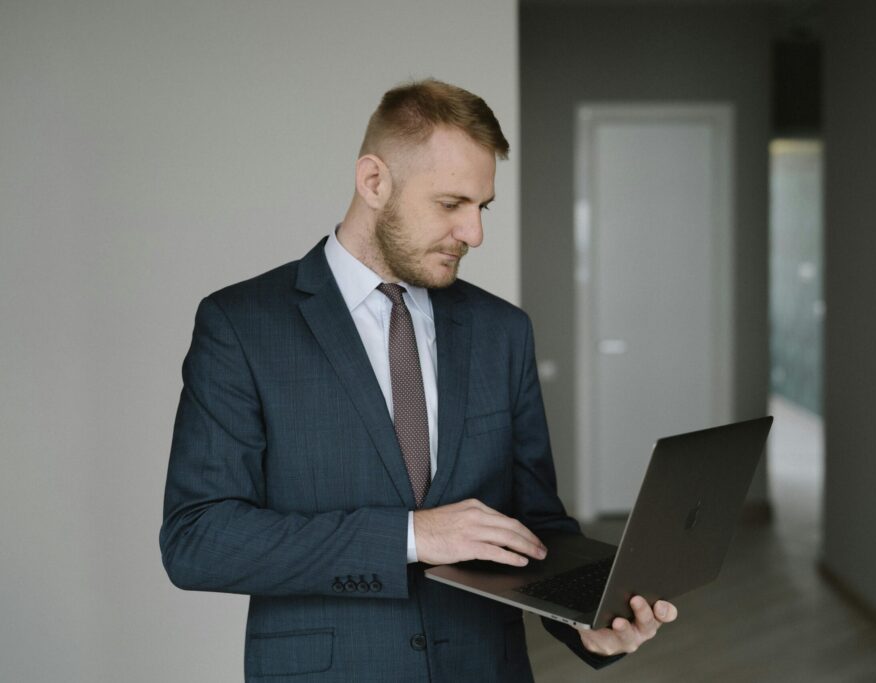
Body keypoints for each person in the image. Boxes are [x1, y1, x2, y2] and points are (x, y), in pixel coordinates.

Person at [160, 78, 677, 682]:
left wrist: (585, 617)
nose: (474, 234)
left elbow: (538, 525)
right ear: (374, 181)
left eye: (481, 208)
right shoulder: (241, 325)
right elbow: (198, 540)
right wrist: (408, 536)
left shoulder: (503, 330)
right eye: (451, 204)